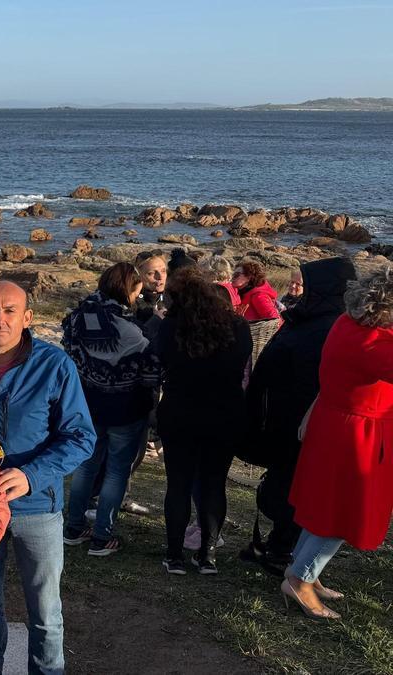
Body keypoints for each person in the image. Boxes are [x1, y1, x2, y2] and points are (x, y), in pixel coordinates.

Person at [0, 281, 96, 675]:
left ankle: (47, 671)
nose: (0, 319)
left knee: (45, 606)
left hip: (37, 506)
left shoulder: (55, 365)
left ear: (28, 318)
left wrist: (31, 475)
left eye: (10, 311)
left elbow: (82, 437)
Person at [282, 267, 393, 620]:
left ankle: (301, 571)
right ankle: (301, 579)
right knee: (343, 512)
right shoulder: (374, 345)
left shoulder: (347, 324)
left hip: (333, 423)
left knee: (322, 505)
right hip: (357, 435)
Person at [242, 258, 356, 575]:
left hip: (299, 420)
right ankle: (279, 548)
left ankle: (280, 546)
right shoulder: (322, 321)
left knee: (292, 486)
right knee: (290, 487)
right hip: (292, 420)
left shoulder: (324, 324)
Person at [154, 269, 252, 575]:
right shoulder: (237, 327)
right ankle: (207, 555)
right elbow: (244, 364)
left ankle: (174, 555)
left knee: (179, 484)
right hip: (224, 414)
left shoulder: (170, 328)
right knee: (214, 484)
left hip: (180, 413)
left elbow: (161, 363)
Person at [61, 263, 162, 556]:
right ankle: (102, 536)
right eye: (137, 288)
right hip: (125, 409)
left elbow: (72, 352)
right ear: (128, 289)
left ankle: (74, 527)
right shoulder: (126, 328)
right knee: (117, 471)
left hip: (89, 404)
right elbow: (151, 365)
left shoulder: (80, 315)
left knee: (87, 466)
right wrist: (155, 324)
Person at [234, 260, 282, 365]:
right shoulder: (242, 293)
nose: (233, 277)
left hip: (256, 348)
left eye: (236, 275)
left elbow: (275, 321)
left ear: (248, 278)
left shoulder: (258, 296)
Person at [134, 251, 168, 340]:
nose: (160, 277)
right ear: (138, 275)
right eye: (151, 273)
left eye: (163, 271)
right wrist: (156, 320)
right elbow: (132, 340)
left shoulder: (178, 296)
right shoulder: (130, 301)